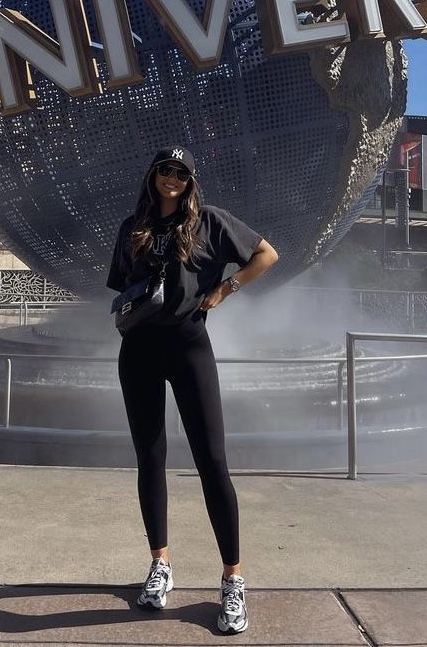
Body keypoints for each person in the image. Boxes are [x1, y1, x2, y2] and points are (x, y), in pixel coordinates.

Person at [106, 145, 279, 634]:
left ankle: (232, 579)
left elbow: (267, 255)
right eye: (164, 170)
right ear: (152, 175)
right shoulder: (131, 227)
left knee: (212, 461)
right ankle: (160, 564)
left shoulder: (212, 222)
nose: (171, 178)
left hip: (189, 347)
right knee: (150, 459)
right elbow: (120, 285)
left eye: (180, 172)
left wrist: (225, 289)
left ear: (190, 179)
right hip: (138, 349)